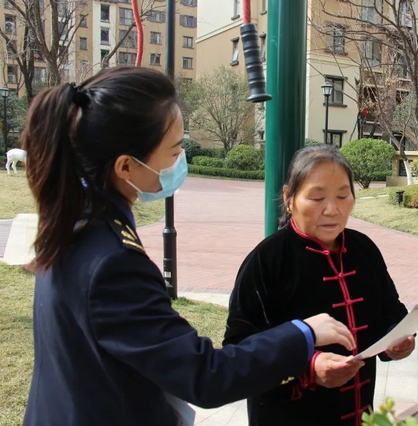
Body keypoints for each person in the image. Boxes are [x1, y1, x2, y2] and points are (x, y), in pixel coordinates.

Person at [21, 67, 357, 426]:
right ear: (126, 166)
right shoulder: (111, 261)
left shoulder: (73, 224)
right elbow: (205, 375)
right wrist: (303, 334)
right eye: (175, 150)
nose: (180, 161)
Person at [224, 145, 415, 426]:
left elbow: (390, 313)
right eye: (316, 197)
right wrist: (309, 366)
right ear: (289, 198)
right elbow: (238, 348)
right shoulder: (267, 260)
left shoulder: (363, 250)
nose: (332, 209)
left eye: (343, 196)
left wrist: (396, 340)